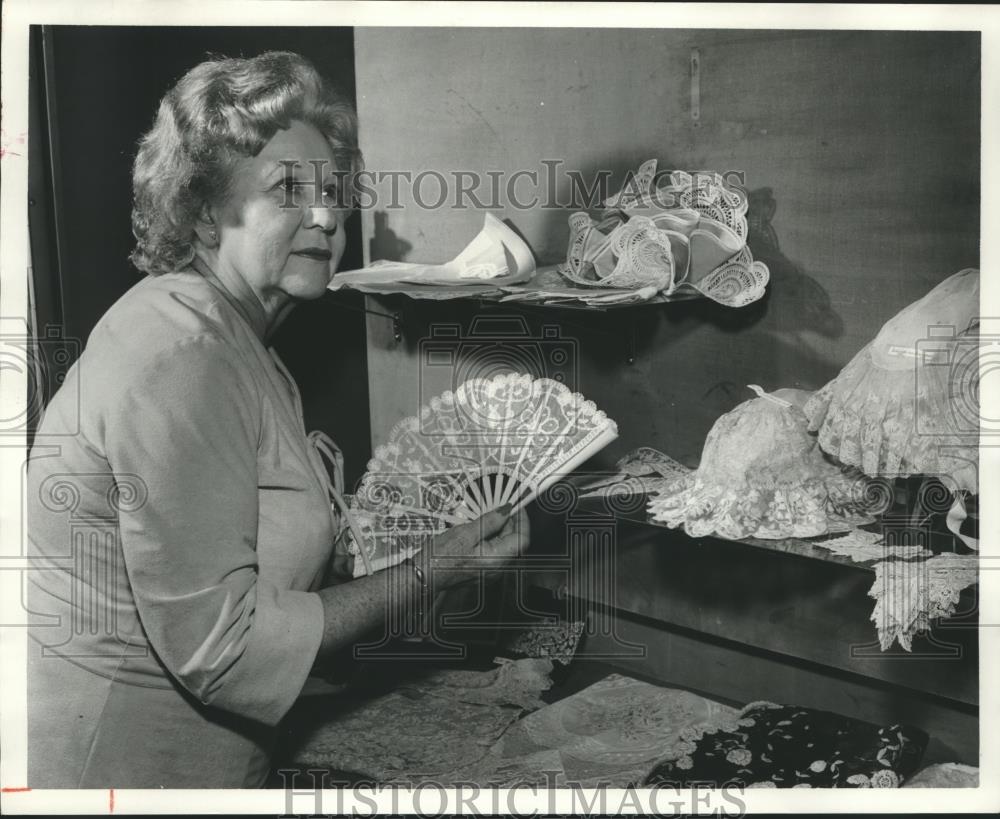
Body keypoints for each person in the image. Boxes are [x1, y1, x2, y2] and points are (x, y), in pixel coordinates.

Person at [25, 51, 529, 789]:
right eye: (289, 192)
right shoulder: (180, 356)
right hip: (118, 774)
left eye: (333, 191)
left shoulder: (237, 342)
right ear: (204, 213)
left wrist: (411, 563)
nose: (327, 215)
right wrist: (428, 572)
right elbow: (223, 649)